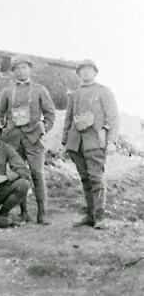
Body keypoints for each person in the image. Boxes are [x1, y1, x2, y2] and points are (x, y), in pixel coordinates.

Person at [0, 55, 55, 225]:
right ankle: (24, 212)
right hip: (13, 139)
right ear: (13, 71)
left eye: (24, 67)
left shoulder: (39, 90)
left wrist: (45, 126)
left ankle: (42, 214)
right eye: (17, 68)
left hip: (33, 139)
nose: (20, 71)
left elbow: (50, 114)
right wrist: (2, 128)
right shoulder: (7, 91)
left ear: (30, 69)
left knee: (37, 174)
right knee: (19, 176)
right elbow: (0, 113)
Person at [62, 59, 119, 229]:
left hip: (95, 141)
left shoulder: (104, 92)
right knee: (85, 179)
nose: (86, 73)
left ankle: (99, 216)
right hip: (76, 143)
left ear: (95, 73)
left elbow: (113, 118)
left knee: (96, 178)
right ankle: (90, 215)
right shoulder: (75, 94)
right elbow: (69, 118)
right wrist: (65, 141)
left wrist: (111, 142)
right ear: (78, 74)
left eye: (89, 70)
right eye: (82, 70)